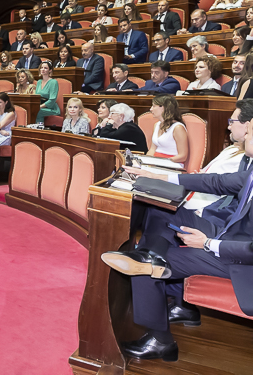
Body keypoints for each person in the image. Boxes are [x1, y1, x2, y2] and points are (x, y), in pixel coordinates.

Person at [102, 119, 253, 360]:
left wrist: (207, 244)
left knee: (146, 266)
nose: (245, 135)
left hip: (241, 259)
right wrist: (156, 176)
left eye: (251, 131)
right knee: (163, 210)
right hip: (229, 235)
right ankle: (155, 261)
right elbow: (214, 182)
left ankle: (161, 341)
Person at [147, 94, 189, 167]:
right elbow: (152, 149)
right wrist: (145, 161)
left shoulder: (178, 128)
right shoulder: (156, 125)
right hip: (156, 163)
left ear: (163, 108)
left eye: (153, 106)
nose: (151, 109)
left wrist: (160, 162)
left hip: (172, 164)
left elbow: (183, 156)